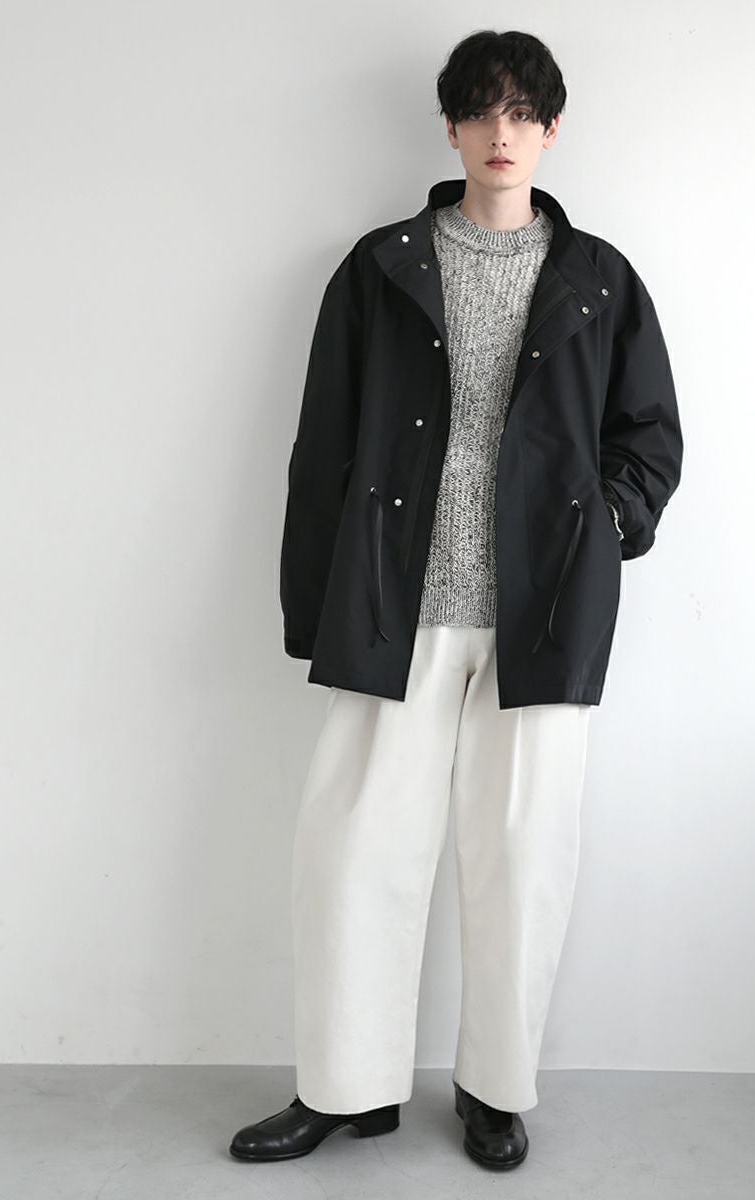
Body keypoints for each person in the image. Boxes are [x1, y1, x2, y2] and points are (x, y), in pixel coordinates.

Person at [230, 28, 683, 1172]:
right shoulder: (380, 267)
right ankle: (345, 1090)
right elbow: (321, 446)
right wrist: (311, 607)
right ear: (449, 125)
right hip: (397, 600)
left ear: (551, 128)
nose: (500, 132)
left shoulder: (598, 279)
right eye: (481, 110)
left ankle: (492, 1091)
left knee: (521, 858)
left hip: (543, 608)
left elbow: (648, 435)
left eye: (522, 112)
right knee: (354, 851)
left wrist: (605, 527)